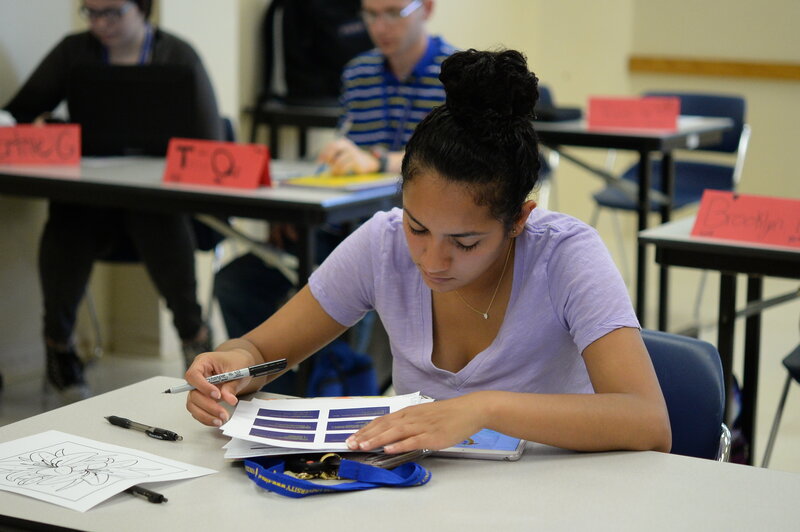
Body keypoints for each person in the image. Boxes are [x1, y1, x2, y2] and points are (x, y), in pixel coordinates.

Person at [185, 49, 672, 455]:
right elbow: (263, 350)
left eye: (465, 242)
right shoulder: (383, 243)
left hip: (557, 501)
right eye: (418, 227)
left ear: (519, 220)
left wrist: (484, 408)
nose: (432, 261)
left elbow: (647, 420)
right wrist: (228, 368)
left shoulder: (566, 256)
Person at [2, 0, 222, 399]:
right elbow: (19, 111)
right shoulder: (75, 51)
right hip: (92, 200)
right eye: (91, 12)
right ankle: (59, 348)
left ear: (143, 9)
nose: (100, 23)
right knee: (67, 217)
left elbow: (211, 138)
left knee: (157, 214)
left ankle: (195, 337)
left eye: (112, 12)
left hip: (158, 203)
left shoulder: (177, 55)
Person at [214, 0, 456, 353]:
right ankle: (289, 393)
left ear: (427, 9)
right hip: (343, 227)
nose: (380, 27)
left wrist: (376, 161)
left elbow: (456, 162)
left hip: (422, 233)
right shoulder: (359, 73)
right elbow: (346, 152)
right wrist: (298, 206)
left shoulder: (455, 75)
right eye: (370, 15)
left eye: (393, 13)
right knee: (236, 283)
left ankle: (345, 386)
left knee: (367, 290)